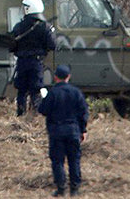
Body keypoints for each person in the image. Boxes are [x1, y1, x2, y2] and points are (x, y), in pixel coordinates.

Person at [38, 64, 89, 197]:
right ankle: (75, 189)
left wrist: (43, 99)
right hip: (73, 130)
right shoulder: (76, 92)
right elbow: (83, 112)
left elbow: (43, 110)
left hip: (56, 131)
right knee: (74, 160)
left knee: (58, 161)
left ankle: (61, 188)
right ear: (68, 77)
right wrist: (83, 130)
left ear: (55, 77)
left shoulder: (53, 93)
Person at [11, 0, 56, 117]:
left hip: (21, 62)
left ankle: (21, 114)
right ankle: (35, 114)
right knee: (36, 89)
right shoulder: (45, 27)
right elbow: (52, 45)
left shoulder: (19, 26)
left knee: (22, 90)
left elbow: (11, 45)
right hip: (37, 62)